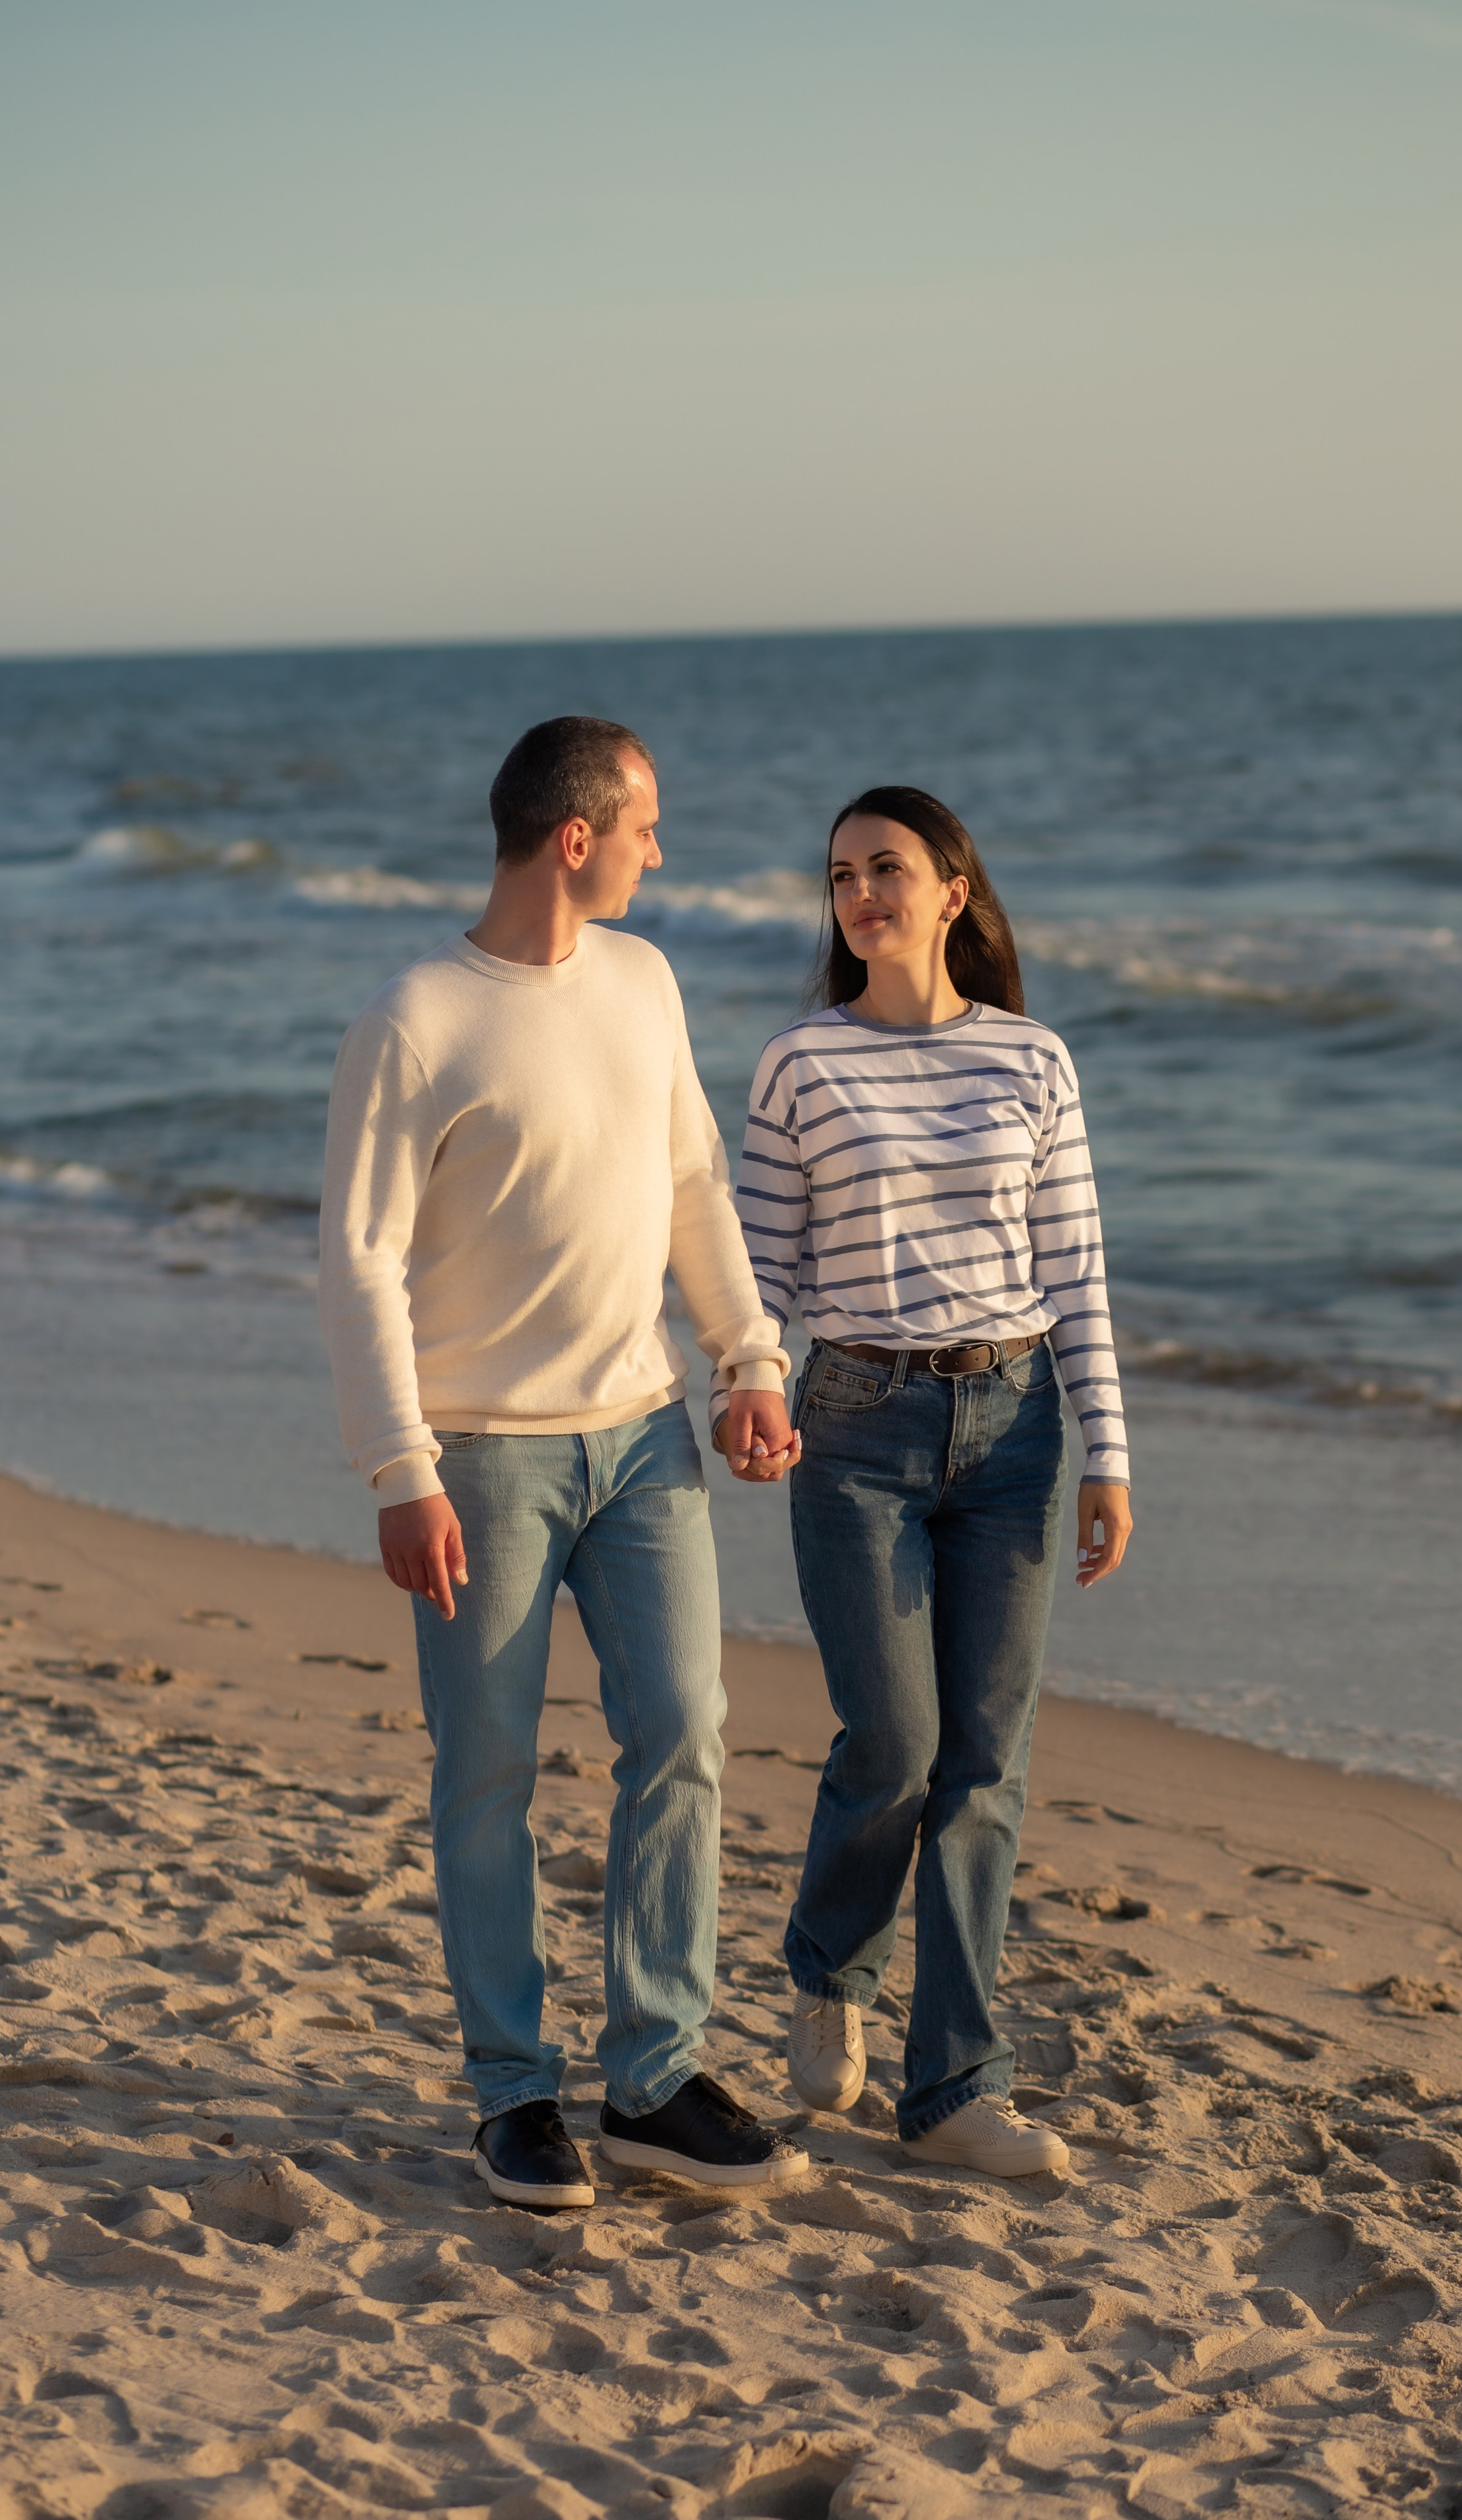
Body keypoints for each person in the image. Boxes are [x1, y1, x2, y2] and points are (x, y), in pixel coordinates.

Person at [318, 715, 804, 2211]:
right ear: (575, 837)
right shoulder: (416, 1021)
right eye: (646, 825)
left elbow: (689, 1183)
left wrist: (747, 1356)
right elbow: (359, 1256)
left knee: (686, 1731)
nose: (664, 851)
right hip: (481, 1463)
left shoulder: (646, 982)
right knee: (489, 1775)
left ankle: (653, 2076)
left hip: (645, 1433)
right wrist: (400, 1470)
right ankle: (513, 2090)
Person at [722, 785, 1133, 2177]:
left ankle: (952, 2087)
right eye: (839, 876)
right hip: (853, 1427)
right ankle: (832, 1970)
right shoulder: (798, 1065)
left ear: (952, 888)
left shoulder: (1031, 1059)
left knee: (986, 1765)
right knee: (892, 1747)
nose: (858, 894)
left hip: (1015, 1430)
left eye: (884, 868)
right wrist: (750, 1385)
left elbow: (1073, 1269)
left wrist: (1107, 1455)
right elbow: (760, 1270)